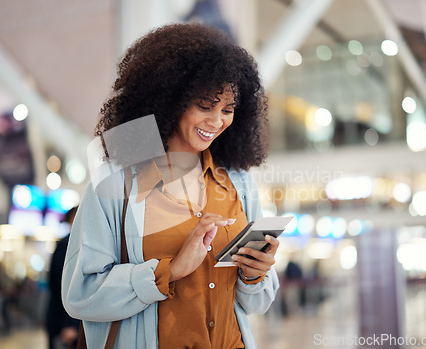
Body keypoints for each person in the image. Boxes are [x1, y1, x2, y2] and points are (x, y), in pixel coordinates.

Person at [62, 23, 280, 349]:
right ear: (169, 99)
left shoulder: (239, 184)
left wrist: (254, 275)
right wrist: (169, 272)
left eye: (228, 110)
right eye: (205, 106)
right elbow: (80, 295)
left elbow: (255, 305)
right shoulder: (115, 183)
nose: (217, 121)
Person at [46, 207, 80, 349]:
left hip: (67, 318)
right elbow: (65, 286)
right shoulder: (67, 246)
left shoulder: (70, 244)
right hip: (64, 321)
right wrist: (69, 324)